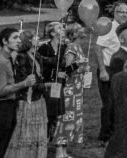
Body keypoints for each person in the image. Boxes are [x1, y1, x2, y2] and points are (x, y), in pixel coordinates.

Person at [0, 28, 35, 158]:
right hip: (1, 108)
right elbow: (1, 90)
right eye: (15, 38)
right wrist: (24, 83)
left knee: (2, 149)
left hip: (9, 107)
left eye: (19, 37)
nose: (19, 41)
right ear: (4, 41)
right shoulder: (0, 62)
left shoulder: (9, 59)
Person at [37, 22, 78, 158]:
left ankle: (53, 143)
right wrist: (56, 71)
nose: (63, 29)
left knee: (56, 116)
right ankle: (42, 145)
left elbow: (66, 68)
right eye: (60, 28)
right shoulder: (44, 48)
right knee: (47, 116)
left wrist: (76, 65)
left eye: (63, 28)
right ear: (52, 33)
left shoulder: (65, 47)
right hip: (47, 86)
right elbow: (40, 65)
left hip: (60, 87)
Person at [6, 29, 47, 158]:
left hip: (38, 98)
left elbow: (50, 61)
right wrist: (46, 86)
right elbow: (25, 80)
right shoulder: (22, 57)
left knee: (37, 130)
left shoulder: (36, 55)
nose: (38, 38)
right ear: (29, 40)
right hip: (27, 99)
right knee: (26, 131)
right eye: (35, 37)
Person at [97, 2, 127, 142]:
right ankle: (105, 136)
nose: (124, 14)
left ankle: (116, 132)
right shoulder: (108, 28)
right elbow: (98, 48)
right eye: (121, 12)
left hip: (121, 70)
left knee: (120, 103)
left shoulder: (126, 30)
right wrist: (102, 70)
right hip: (108, 70)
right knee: (108, 104)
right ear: (115, 13)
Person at [54, 23, 87, 155]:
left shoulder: (79, 47)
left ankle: (64, 151)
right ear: (73, 34)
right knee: (65, 119)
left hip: (77, 90)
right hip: (69, 90)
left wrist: (84, 69)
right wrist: (78, 64)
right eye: (79, 29)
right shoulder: (72, 48)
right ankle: (58, 151)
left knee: (71, 120)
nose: (83, 30)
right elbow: (67, 70)